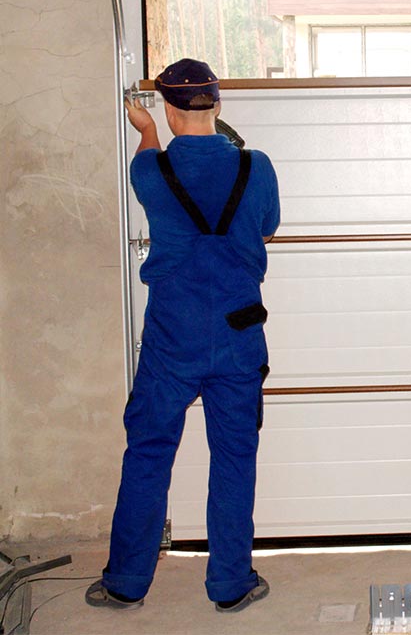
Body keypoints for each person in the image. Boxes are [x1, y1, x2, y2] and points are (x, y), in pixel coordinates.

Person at [86, 58, 280, 613]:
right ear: (217, 106)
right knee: (236, 455)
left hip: (173, 337)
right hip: (240, 333)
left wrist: (145, 132)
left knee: (148, 452)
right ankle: (231, 584)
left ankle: (125, 583)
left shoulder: (150, 172)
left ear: (170, 109)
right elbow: (267, 224)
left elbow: (148, 161)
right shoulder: (257, 166)